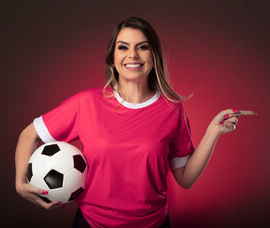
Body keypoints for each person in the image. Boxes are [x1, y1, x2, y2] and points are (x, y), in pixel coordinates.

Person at [15, 17, 256, 228]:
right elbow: (29, 135)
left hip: (154, 224)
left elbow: (185, 179)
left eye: (142, 47)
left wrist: (212, 133)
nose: (133, 55)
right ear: (112, 58)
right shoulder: (85, 103)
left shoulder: (172, 109)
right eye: (123, 47)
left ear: (154, 57)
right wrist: (19, 183)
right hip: (93, 224)